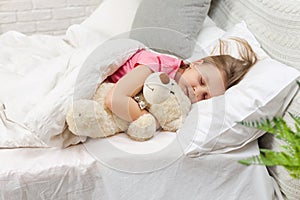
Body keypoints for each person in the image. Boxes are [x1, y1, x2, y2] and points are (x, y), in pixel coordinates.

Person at [105, 37, 257, 125]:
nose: (196, 92)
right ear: (196, 63)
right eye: (202, 81)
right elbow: (114, 99)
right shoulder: (158, 66)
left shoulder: (177, 101)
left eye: (205, 96)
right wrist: (152, 122)